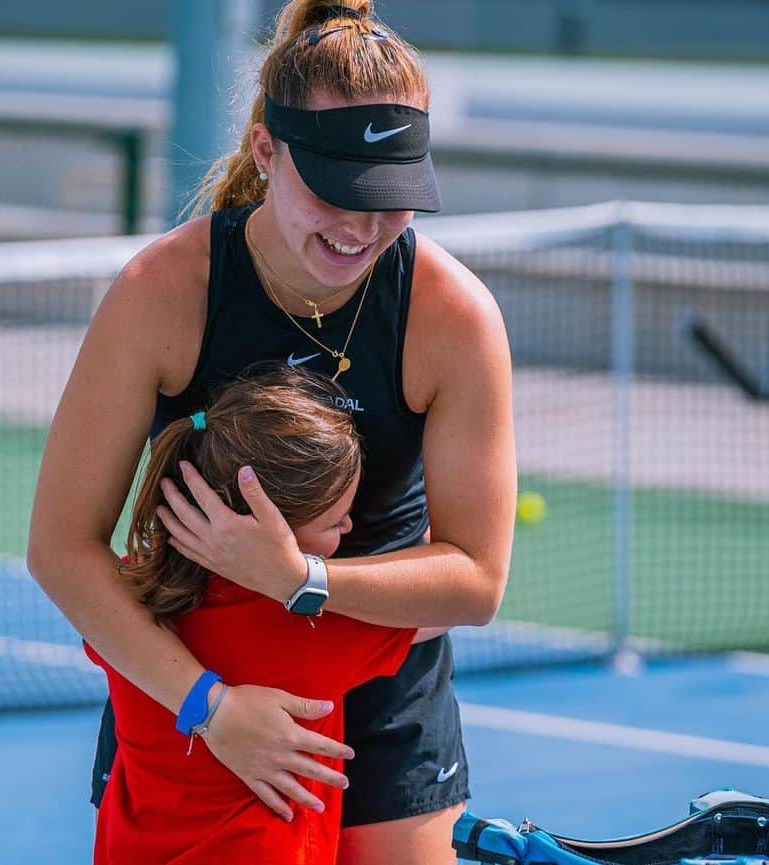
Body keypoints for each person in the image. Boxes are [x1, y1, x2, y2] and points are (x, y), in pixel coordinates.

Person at [26, 1, 516, 862]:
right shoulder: (161, 293)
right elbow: (61, 549)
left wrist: (304, 580)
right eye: (335, 191)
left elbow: (477, 577)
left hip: (377, 684)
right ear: (266, 151)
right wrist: (210, 707)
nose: (361, 228)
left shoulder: (454, 317)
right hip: (182, 688)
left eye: (392, 200)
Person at [87, 366, 447, 864]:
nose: (349, 525)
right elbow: (445, 607)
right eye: (333, 519)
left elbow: (94, 625)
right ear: (266, 526)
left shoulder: (129, 596)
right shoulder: (317, 628)